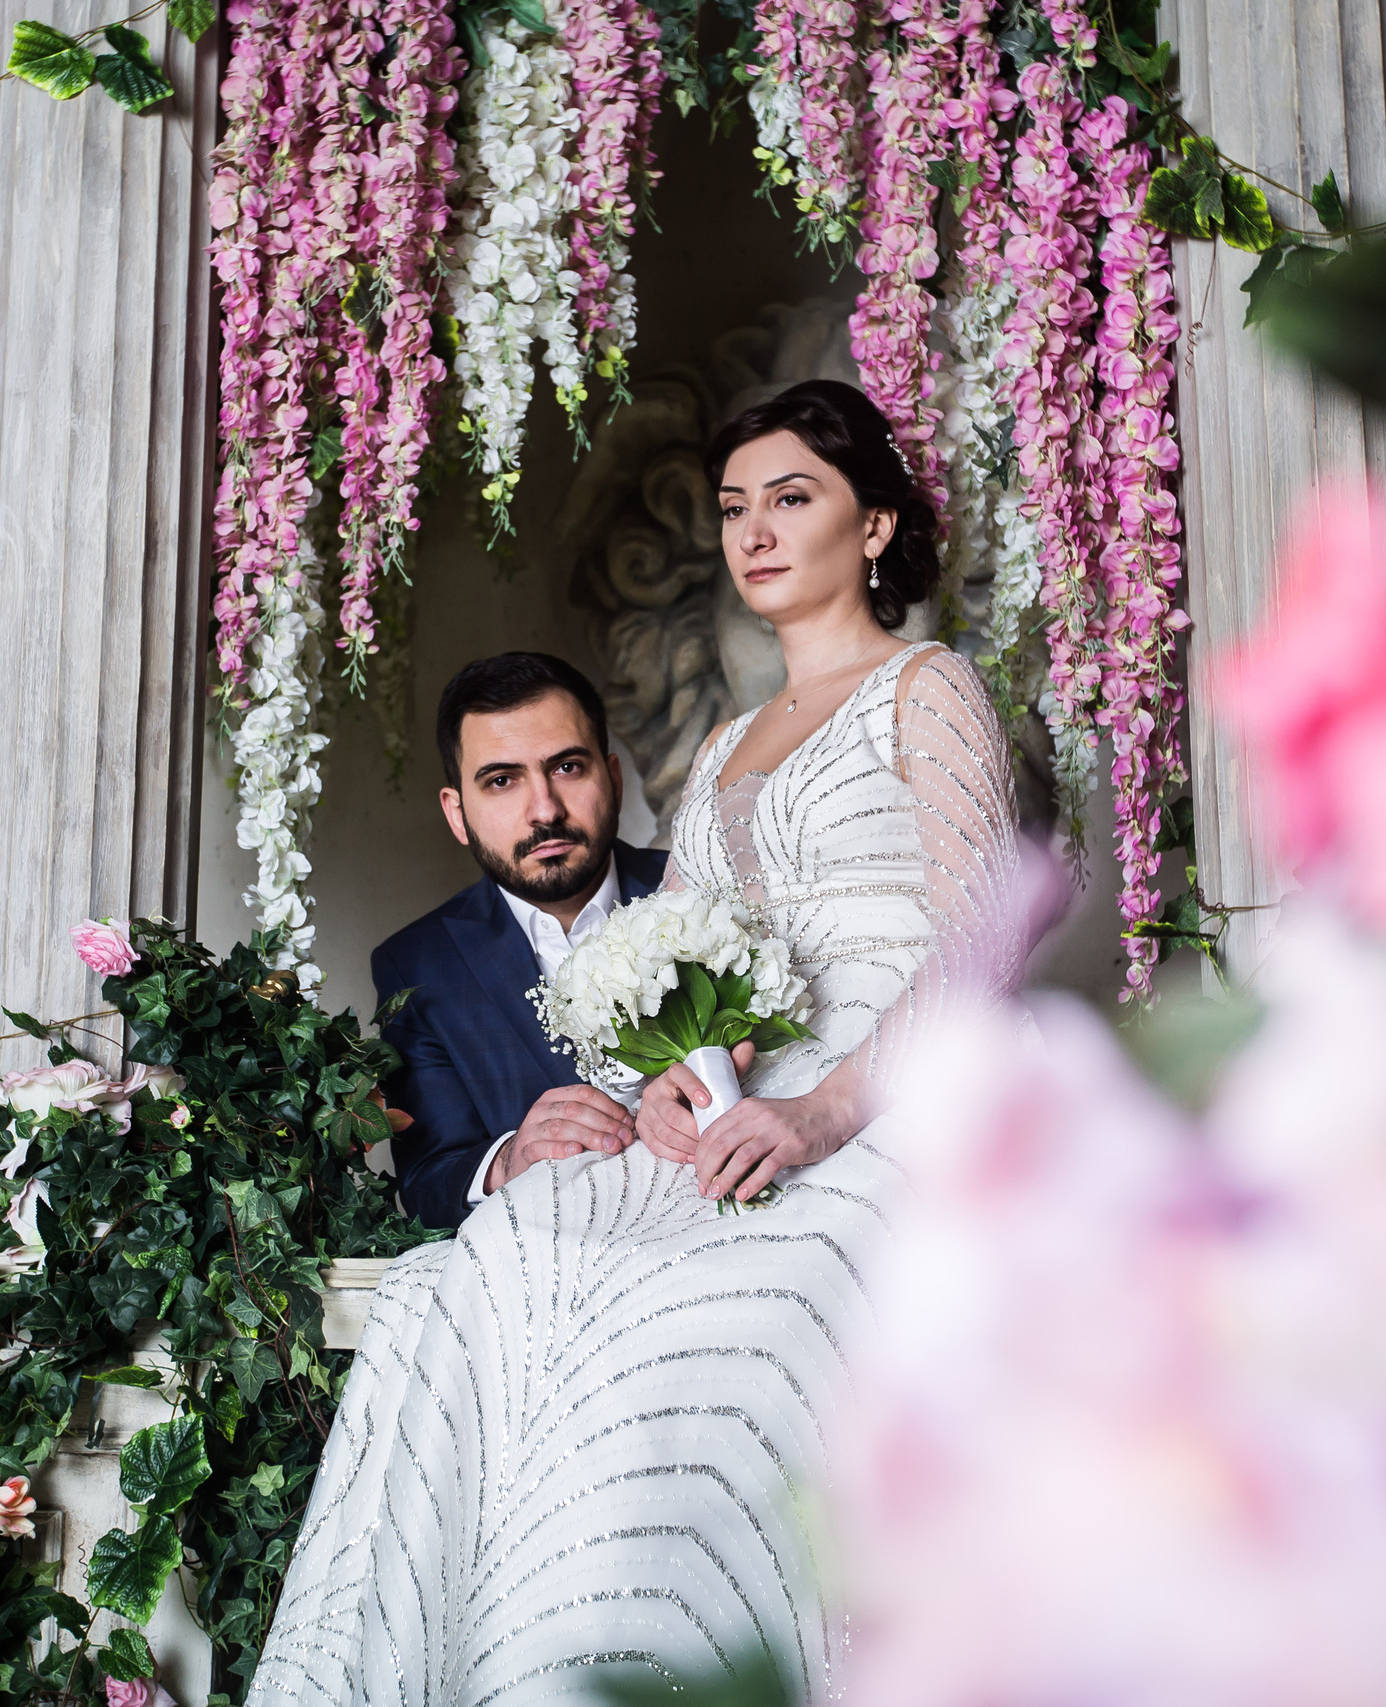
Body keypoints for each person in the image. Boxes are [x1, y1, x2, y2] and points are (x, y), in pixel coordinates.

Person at [249, 379, 1020, 1705]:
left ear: (876, 523)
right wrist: (669, 1084)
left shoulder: (928, 688)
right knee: (489, 1259)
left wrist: (826, 1114)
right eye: (734, 508)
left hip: (887, 1102)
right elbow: (701, 977)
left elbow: (985, 937)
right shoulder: (717, 750)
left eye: (794, 497)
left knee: (723, 1309)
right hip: (741, 1106)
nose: (755, 530)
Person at [377, 653, 669, 1228]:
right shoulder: (415, 966)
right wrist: (509, 1160)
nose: (544, 810)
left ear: (612, 778)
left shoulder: (701, 892)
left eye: (566, 768)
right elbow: (430, 1178)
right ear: (457, 814)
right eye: (502, 780)